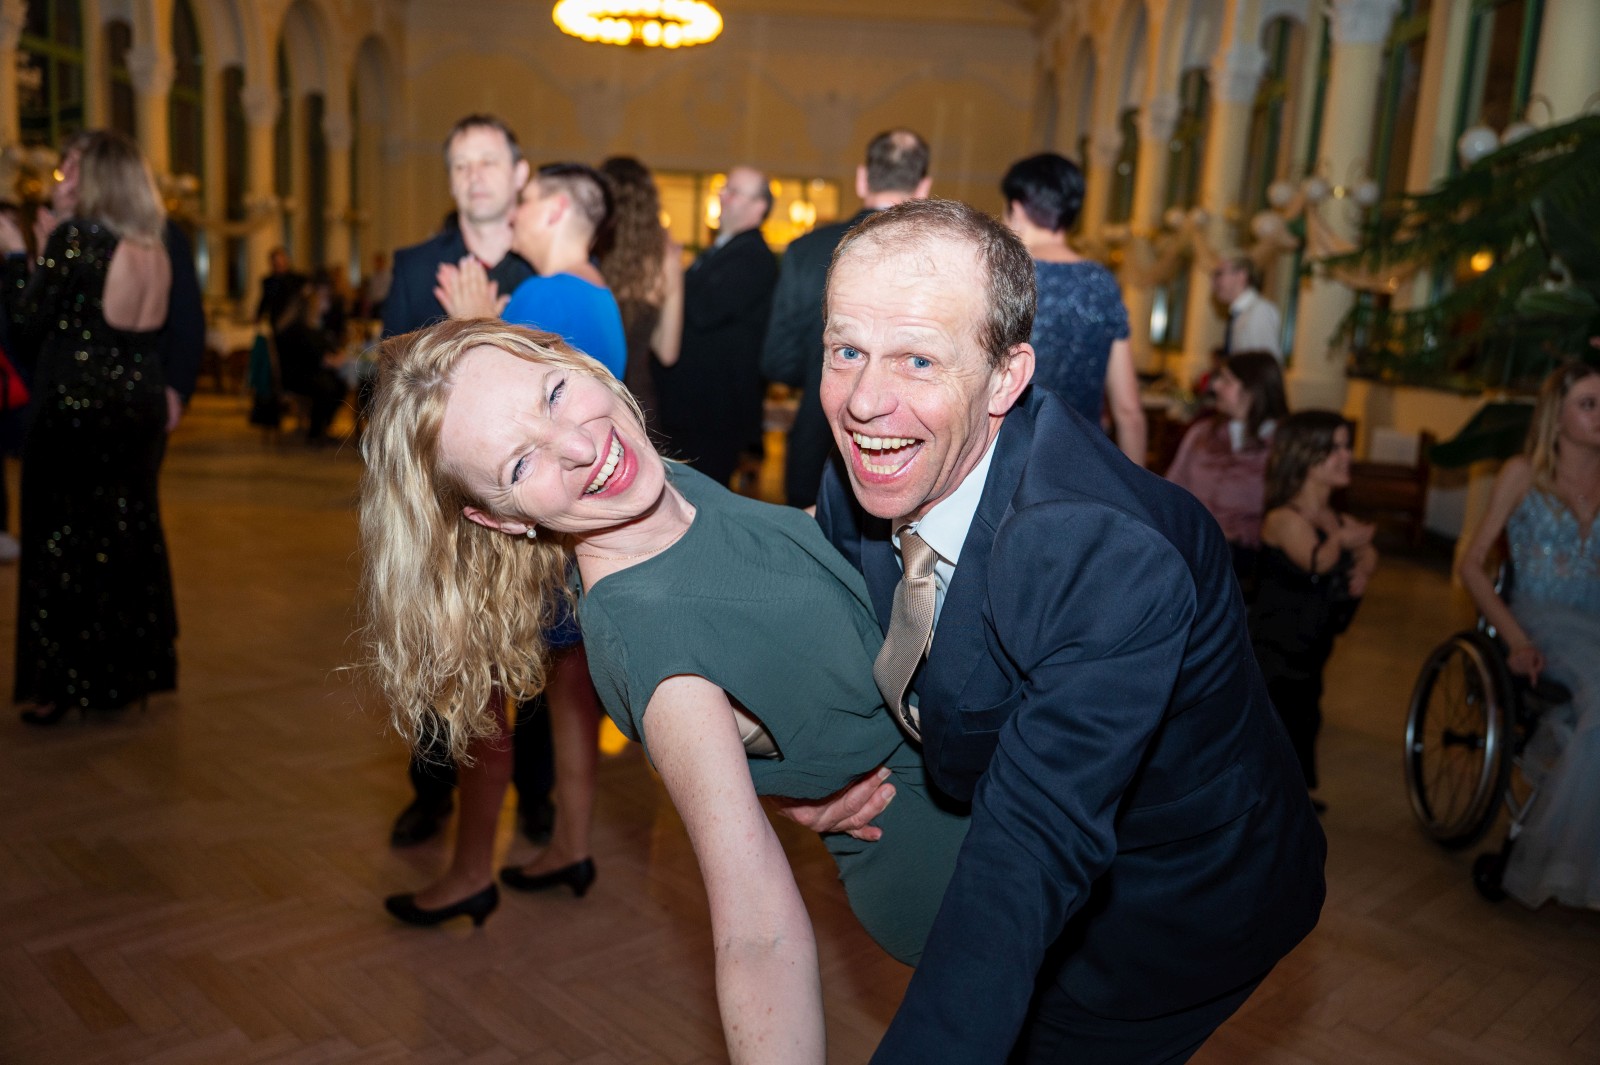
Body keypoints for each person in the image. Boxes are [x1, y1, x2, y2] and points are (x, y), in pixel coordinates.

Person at [795, 198, 1325, 1062]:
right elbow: (830, 638)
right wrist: (805, 774)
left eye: (918, 358)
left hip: (1171, 904)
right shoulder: (866, 467)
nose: (864, 401)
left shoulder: (1102, 550)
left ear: (1007, 377)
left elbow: (1030, 846)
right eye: (845, 350)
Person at [359, 320, 969, 1054]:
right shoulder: (651, 643)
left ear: (574, 360)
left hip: (996, 783)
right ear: (499, 519)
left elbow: (778, 570)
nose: (579, 447)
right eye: (521, 463)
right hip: (960, 873)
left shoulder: (656, 487)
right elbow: (757, 934)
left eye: (553, 394)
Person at [380, 114, 550, 853]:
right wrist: (452, 340)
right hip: (440, 499)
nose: (474, 176)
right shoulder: (416, 265)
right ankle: (431, 792)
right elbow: (387, 387)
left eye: (487, 161)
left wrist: (483, 330)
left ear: (519, 174)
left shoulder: (543, 269)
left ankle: (537, 795)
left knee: (531, 654)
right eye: (460, 165)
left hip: (528, 502)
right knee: (437, 650)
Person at [1, 131, 179, 724]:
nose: (63, 177)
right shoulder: (153, 246)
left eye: (75, 168)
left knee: (60, 541)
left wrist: (14, 258)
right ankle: (122, 675)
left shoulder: (78, 239)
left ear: (101, 177)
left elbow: (26, 325)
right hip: (139, 406)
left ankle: (62, 683)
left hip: (78, 409)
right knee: (125, 534)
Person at [1456, 360, 1600, 910]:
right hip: (1540, 620)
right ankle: (1561, 862)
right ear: (1556, 415)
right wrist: (1515, 640)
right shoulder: (1523, 473)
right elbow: (1472, 564)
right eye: (1588, 404)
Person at [762, 129, 931, 507]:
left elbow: (777, 361)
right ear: (923, 188)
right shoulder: (939, 261)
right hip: (905, 452)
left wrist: (817, 371)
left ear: (862, 179)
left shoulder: (807, 249)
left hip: (817, 441)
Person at [1248, 411, 1378, 807]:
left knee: (1305, 717)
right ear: (1306, 457)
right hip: (1275, 650)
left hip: (1311, 646)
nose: (1346, 456)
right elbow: (1317, 561)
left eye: (1346, 446)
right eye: (1334, 448)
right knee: (1274, 721)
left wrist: (1363, 568)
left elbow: (1369, 551)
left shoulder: (1335, 518)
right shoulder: (1284, 518)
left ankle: (1292, 795)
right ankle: (1263, 800)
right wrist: (1342, 540)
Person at [1001, 152, 1145, 464]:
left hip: (1009, 459)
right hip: (1080, 461)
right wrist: (1135, 486)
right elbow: (1128, 410)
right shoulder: (1101, 282)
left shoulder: (1005, 274)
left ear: (1017, 209)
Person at [655, 166, 777, 487]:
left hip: (711, 412)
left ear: (759, 207)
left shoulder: (754, 257)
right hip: (694, 408)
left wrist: (670, 266)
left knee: (699, 498)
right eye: (724, 189)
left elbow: (702, 309)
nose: (723, 197)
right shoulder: (723, 248)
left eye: (734, 192)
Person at [1166, 350, 1289, 581]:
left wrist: (1239, 533)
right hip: (1189, 545)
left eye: (1227, 380)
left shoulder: (1282, 445)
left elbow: (1288, 510)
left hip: (1247, 558)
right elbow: (1171, 489)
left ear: (1253, 390)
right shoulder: (1202, 433)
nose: (1215, 386)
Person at [596, 156, 684, 428]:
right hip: (637, 404)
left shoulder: (589, 257)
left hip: (589, 398)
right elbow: (667, 352)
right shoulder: (665, 262)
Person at [1211, 254, 1283, 359]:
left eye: (1219, 273)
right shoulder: (1239, 314)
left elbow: (1266, 364)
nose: (1214, 282)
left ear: (1241, 276)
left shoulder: (1259, 311)